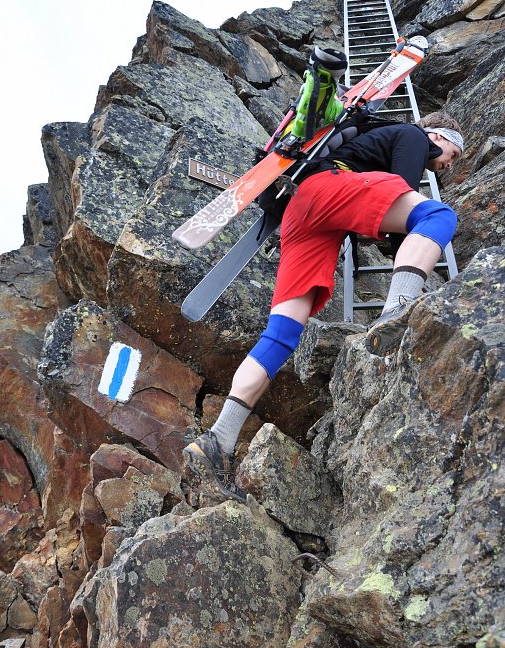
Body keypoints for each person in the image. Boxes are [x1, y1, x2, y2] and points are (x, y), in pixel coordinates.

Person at [184, 107, 464, 502]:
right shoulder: (414, 136)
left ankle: (217, 440)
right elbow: (399, 187)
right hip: (333, 190)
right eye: (453, 154)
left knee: (281, 335)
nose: (449, 166)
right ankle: (398, 312)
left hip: (303, 213)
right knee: (437, 215)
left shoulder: (372, 140)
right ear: (439, 137)